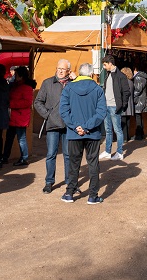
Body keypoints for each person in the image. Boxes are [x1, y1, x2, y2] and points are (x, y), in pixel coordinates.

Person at [59, 63, 108, 204]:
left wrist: (76, 127)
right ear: (92, 74)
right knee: (93, 163)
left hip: (74, 134)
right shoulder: (97, 89)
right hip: (92, 133)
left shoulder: (68, 88)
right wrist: (86, 127)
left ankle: (69, 192)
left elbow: (64, 111)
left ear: (79, 74)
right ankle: (93, 195)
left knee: (73, 163)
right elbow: (101, 112)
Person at [33, 59, 72, 194]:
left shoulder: (73, 84)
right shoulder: (48, 83)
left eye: (63, 69)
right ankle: (49, 182)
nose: (60, 71)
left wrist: (77, 79)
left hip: (68, 125)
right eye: (58, 68)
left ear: (69, 71)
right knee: (51, 154)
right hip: (52, 124)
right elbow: (38, 102)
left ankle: (69, 182)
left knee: (68, 155)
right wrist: (47, 115)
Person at [99, 55, 130, 160]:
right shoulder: (108, 75)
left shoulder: (121, 76)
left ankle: (120, 152)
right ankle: (108, 151)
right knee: (108, 130)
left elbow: (126, 92)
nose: (104, 67)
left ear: (110, 63)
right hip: (106, 106)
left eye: (105, 64)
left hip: (114, 106)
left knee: (117, 130)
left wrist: (122, 105)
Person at [2, 66, 35, 167]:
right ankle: (5, 157)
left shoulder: (26, 87)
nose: (14, 76)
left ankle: (24, 157)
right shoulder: (15, 85)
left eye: (16, 75)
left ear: (21, 76)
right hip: (14, 116)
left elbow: (27, 102)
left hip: (20, 117)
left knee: (21, 138)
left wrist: (11, 104)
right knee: (9, 137)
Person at [132, 66, 147, 140]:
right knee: (139, 117)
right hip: (142, 99)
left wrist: (133, 98)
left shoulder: (138, 78)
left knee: (138, 117)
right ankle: (141, 133)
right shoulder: (143, 77)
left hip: (138, 101)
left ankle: (139, 134)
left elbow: (138, 89)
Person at [120, 67, 135, 142]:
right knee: (128, 121)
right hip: (130, 104)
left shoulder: (124, 82)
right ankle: (127, 136)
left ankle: (124, 137)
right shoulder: (131, 82)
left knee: (123, 121)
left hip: (124, 103)